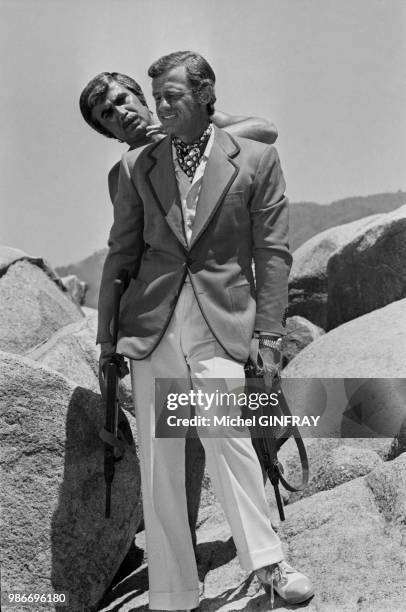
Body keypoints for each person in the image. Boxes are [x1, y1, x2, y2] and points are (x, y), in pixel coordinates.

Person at [97, 51, 314, 611]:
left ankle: (268, 565)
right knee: (159, 460)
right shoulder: (134, 168)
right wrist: (106, 341)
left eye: (172, 96)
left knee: (228, 437)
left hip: (220, 322)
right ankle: (172, 593)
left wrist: (269, 336)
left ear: (204, 93)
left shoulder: (256, 158)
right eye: (159, 96)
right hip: (150, 326)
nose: (162, 106)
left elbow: (272, 252)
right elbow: (120, 255)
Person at [79, 71, 279, 549]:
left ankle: (260, 536)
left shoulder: (206, 132)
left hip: (223, 302)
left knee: (240, 419)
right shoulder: (128, 169)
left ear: (141, 97)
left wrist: (191, 133)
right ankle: (183, 546)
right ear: (108, 131)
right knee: (179, 433)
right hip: (162, 315)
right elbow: (130, 250)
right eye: (108, 114)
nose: (120, 110)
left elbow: (266, 130)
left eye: (123, 98)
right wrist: (109, 338)